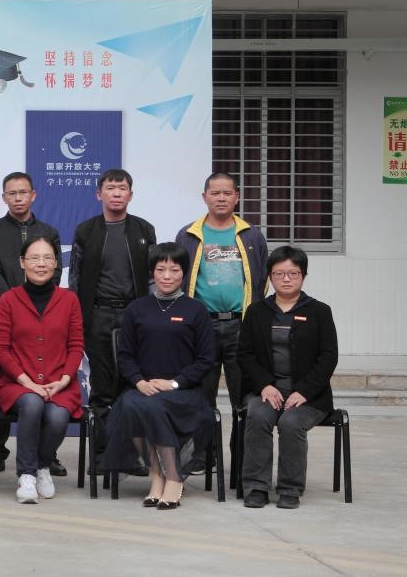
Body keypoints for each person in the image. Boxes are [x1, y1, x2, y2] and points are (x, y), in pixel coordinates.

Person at [104, 243, 217, 510]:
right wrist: (139, 382)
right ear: (152, 272)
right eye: (160, 269)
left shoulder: (196, 310)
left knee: (150, 407)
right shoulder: (137, 308)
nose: (167, 276)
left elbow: (206, 359)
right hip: (144, 387)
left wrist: (174, 383)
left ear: (184, 273)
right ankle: (158, 475)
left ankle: (172, 478)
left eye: (174, 270)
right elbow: (125, 355)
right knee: (131, 405)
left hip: (183, 392)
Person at [176, 172, 268, 472]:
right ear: (204, 197)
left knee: (245, 397)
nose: (221, 198)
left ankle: (242, 459)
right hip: (202, 328)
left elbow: (262, 280)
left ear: (237, 197)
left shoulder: (251, 235)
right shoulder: (188, 235)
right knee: (202, 396)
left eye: (227, 193)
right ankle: (204, 456)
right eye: (215, 193)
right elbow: (178, 277)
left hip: (241, 326)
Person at [69, 168, 156, 472]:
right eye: (110, 188)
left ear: (130, 195)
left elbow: (152, 277)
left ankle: (129, 456)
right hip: (98, 316)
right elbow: (75, 278)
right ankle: (102, 456)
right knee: (102, 387)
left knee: (131, 386)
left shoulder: (144, 230)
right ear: (99, 194)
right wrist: (78, 319)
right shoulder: (86, 230)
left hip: (135, 316)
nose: (116, 193)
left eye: (122, 188)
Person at [238, 246, 338, 510]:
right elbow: (244, 354)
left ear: (303, 276)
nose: (286, 279)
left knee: (291, 422)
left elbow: (328, 357)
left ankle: (290, 488)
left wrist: (304, 391)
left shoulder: (319, 311)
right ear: (270, 277)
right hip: (267, 392)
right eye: (279, 273)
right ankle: (256, 487)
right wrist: (264, 385)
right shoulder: (256, 311)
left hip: (308, 396)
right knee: (258, 416)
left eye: (293, 273)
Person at [0, 171, 63, 476]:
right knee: (1, 381)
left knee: (44, 381)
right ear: (4, 197)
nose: (18, 198)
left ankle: (46, 454)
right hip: (3, 316)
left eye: (23, 192)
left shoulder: (48, 232)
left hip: (44, 319)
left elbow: (54, 274)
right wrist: (15, 306)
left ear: (33, 195)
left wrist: (32, 309)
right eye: (11, 193)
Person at [0, 237, 84, 503]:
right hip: (17, 382)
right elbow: (1, 348)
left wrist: (64, 380)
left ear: (56, 263)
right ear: (22, 262)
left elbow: (76, 345)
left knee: (57, 417)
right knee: (32, 404)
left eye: (47, 258)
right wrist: (26, 382)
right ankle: (27, 475)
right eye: (34, 258)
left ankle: (42, 465)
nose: (41, 264)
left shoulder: (69, 300)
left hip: (59, 382)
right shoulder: (9, 299)